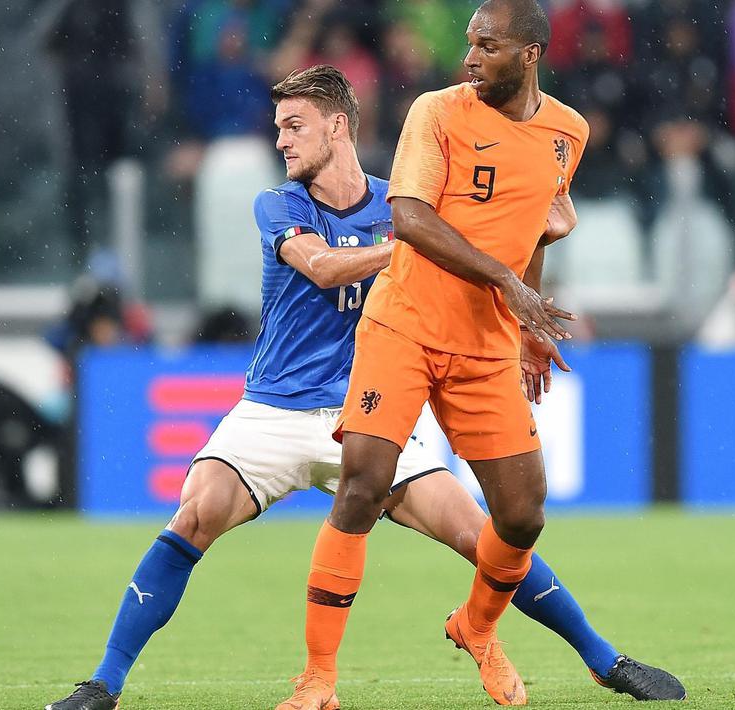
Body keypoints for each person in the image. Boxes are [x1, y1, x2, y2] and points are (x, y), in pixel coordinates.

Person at [45, 63, 682, 710]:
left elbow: (482, 249)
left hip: (370, 405)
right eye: (277, 128)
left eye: (294, 126)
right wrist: (414, 243)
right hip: (274, 409)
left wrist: (532, 240)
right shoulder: (284, 204)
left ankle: (603, 659)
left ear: (338, 126)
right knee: (194, 516)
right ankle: (104, 683)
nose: (282, 141)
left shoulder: (402, 201)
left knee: (485, 531)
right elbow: (321, 267)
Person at [278, 3, 679, 708]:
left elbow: (537, 231)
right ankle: (317, 679)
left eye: (486, 47)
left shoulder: (567, 132)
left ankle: (475, 626)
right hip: (402, 326)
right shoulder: (435, 112)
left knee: (522, 515)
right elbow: (408, 217)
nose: (469, 57)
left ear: (528, 55)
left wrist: (525, 324)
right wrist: (503, 282)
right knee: (363, 485)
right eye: (469, 43)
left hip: (484, 346)